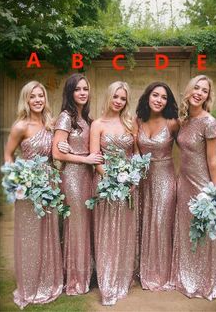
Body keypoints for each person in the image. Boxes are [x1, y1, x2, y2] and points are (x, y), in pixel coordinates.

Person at [4, 81, 63, 309]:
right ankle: (29, 285)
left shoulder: (50, 123)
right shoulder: (21, 126)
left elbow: (57, 149)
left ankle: (48, 280)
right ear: (26, 100)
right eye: (33, 97)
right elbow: (8, 156)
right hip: (28, 188)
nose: (38, 100)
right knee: (30, 235)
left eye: (41, 96)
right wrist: (16, 181)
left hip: (49, 184)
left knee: (48, 232)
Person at [171, 75, 216, 300]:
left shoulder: (209, 123)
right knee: (185, 230)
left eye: (205, 91)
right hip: (184, 182)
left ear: (208, 97)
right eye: (196, 88)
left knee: (201, 231)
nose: (199, 93)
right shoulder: (184, 121)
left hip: (201, 185)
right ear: (189, 91)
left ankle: (203, 280)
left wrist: (215, 194)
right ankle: (186, 275)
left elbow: (212, 161)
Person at [52, 73, 103, 295]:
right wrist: (84, 158)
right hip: (72, 177)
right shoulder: (66, 117)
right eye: (77, 89)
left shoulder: (87, 119)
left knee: (86, 225)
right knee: (77, 226)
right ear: (70, 93)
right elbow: (56, 152)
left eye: (85, 89)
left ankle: (87, 273)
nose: (82, 93)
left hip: (88, 176)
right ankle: (75, 278)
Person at [90, 81, 138, 305]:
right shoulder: (97, 124)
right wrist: (111, 179)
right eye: (116, 97)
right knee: (107, 232)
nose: (119, 101)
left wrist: (132, 178)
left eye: (123, 98)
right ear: (109, 96)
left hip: (129, 185)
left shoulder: (130, 122)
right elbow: (95, 157)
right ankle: (107, 282)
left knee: (125, 232)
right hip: (106, 184)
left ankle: (122, 277)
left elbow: (136, 154)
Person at [135, 82, 179, 291]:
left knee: (161, 223)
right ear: (148, 96)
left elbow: (189, 147)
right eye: (155, 95)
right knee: (145, 222)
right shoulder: (138, 121)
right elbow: (134, 152)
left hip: (165, 178)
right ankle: (144, 270)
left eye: (164, 97)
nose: (159, 100)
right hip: (143, 180)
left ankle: (161, 273)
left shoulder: (172, 123)